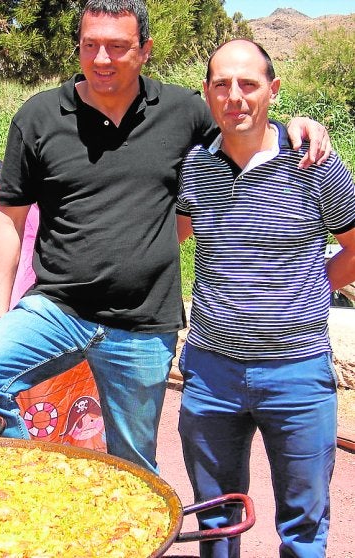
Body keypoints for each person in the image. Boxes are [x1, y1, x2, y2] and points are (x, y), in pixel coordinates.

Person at [0, 0, 331, 474]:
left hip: (144, 325)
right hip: (57, 307)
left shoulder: (183, 110)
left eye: (117, 46)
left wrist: (292, 125)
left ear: (145, 49)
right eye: (91, 46)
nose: (102, 59)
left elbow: (245, 127)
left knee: (133, 470)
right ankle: (33, 483)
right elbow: (11, 218)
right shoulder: (40, 115)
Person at [176, 39, 355, 557]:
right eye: (222, 85)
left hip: (297, 375)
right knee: (216, 521)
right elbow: (169, 238)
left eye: (249, 84)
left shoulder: (314, 163)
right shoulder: (193, 167)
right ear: (207, 94)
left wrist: (314, 284)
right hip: (212, 375)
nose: (235, 96)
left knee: (304, 528)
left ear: (272, 91)